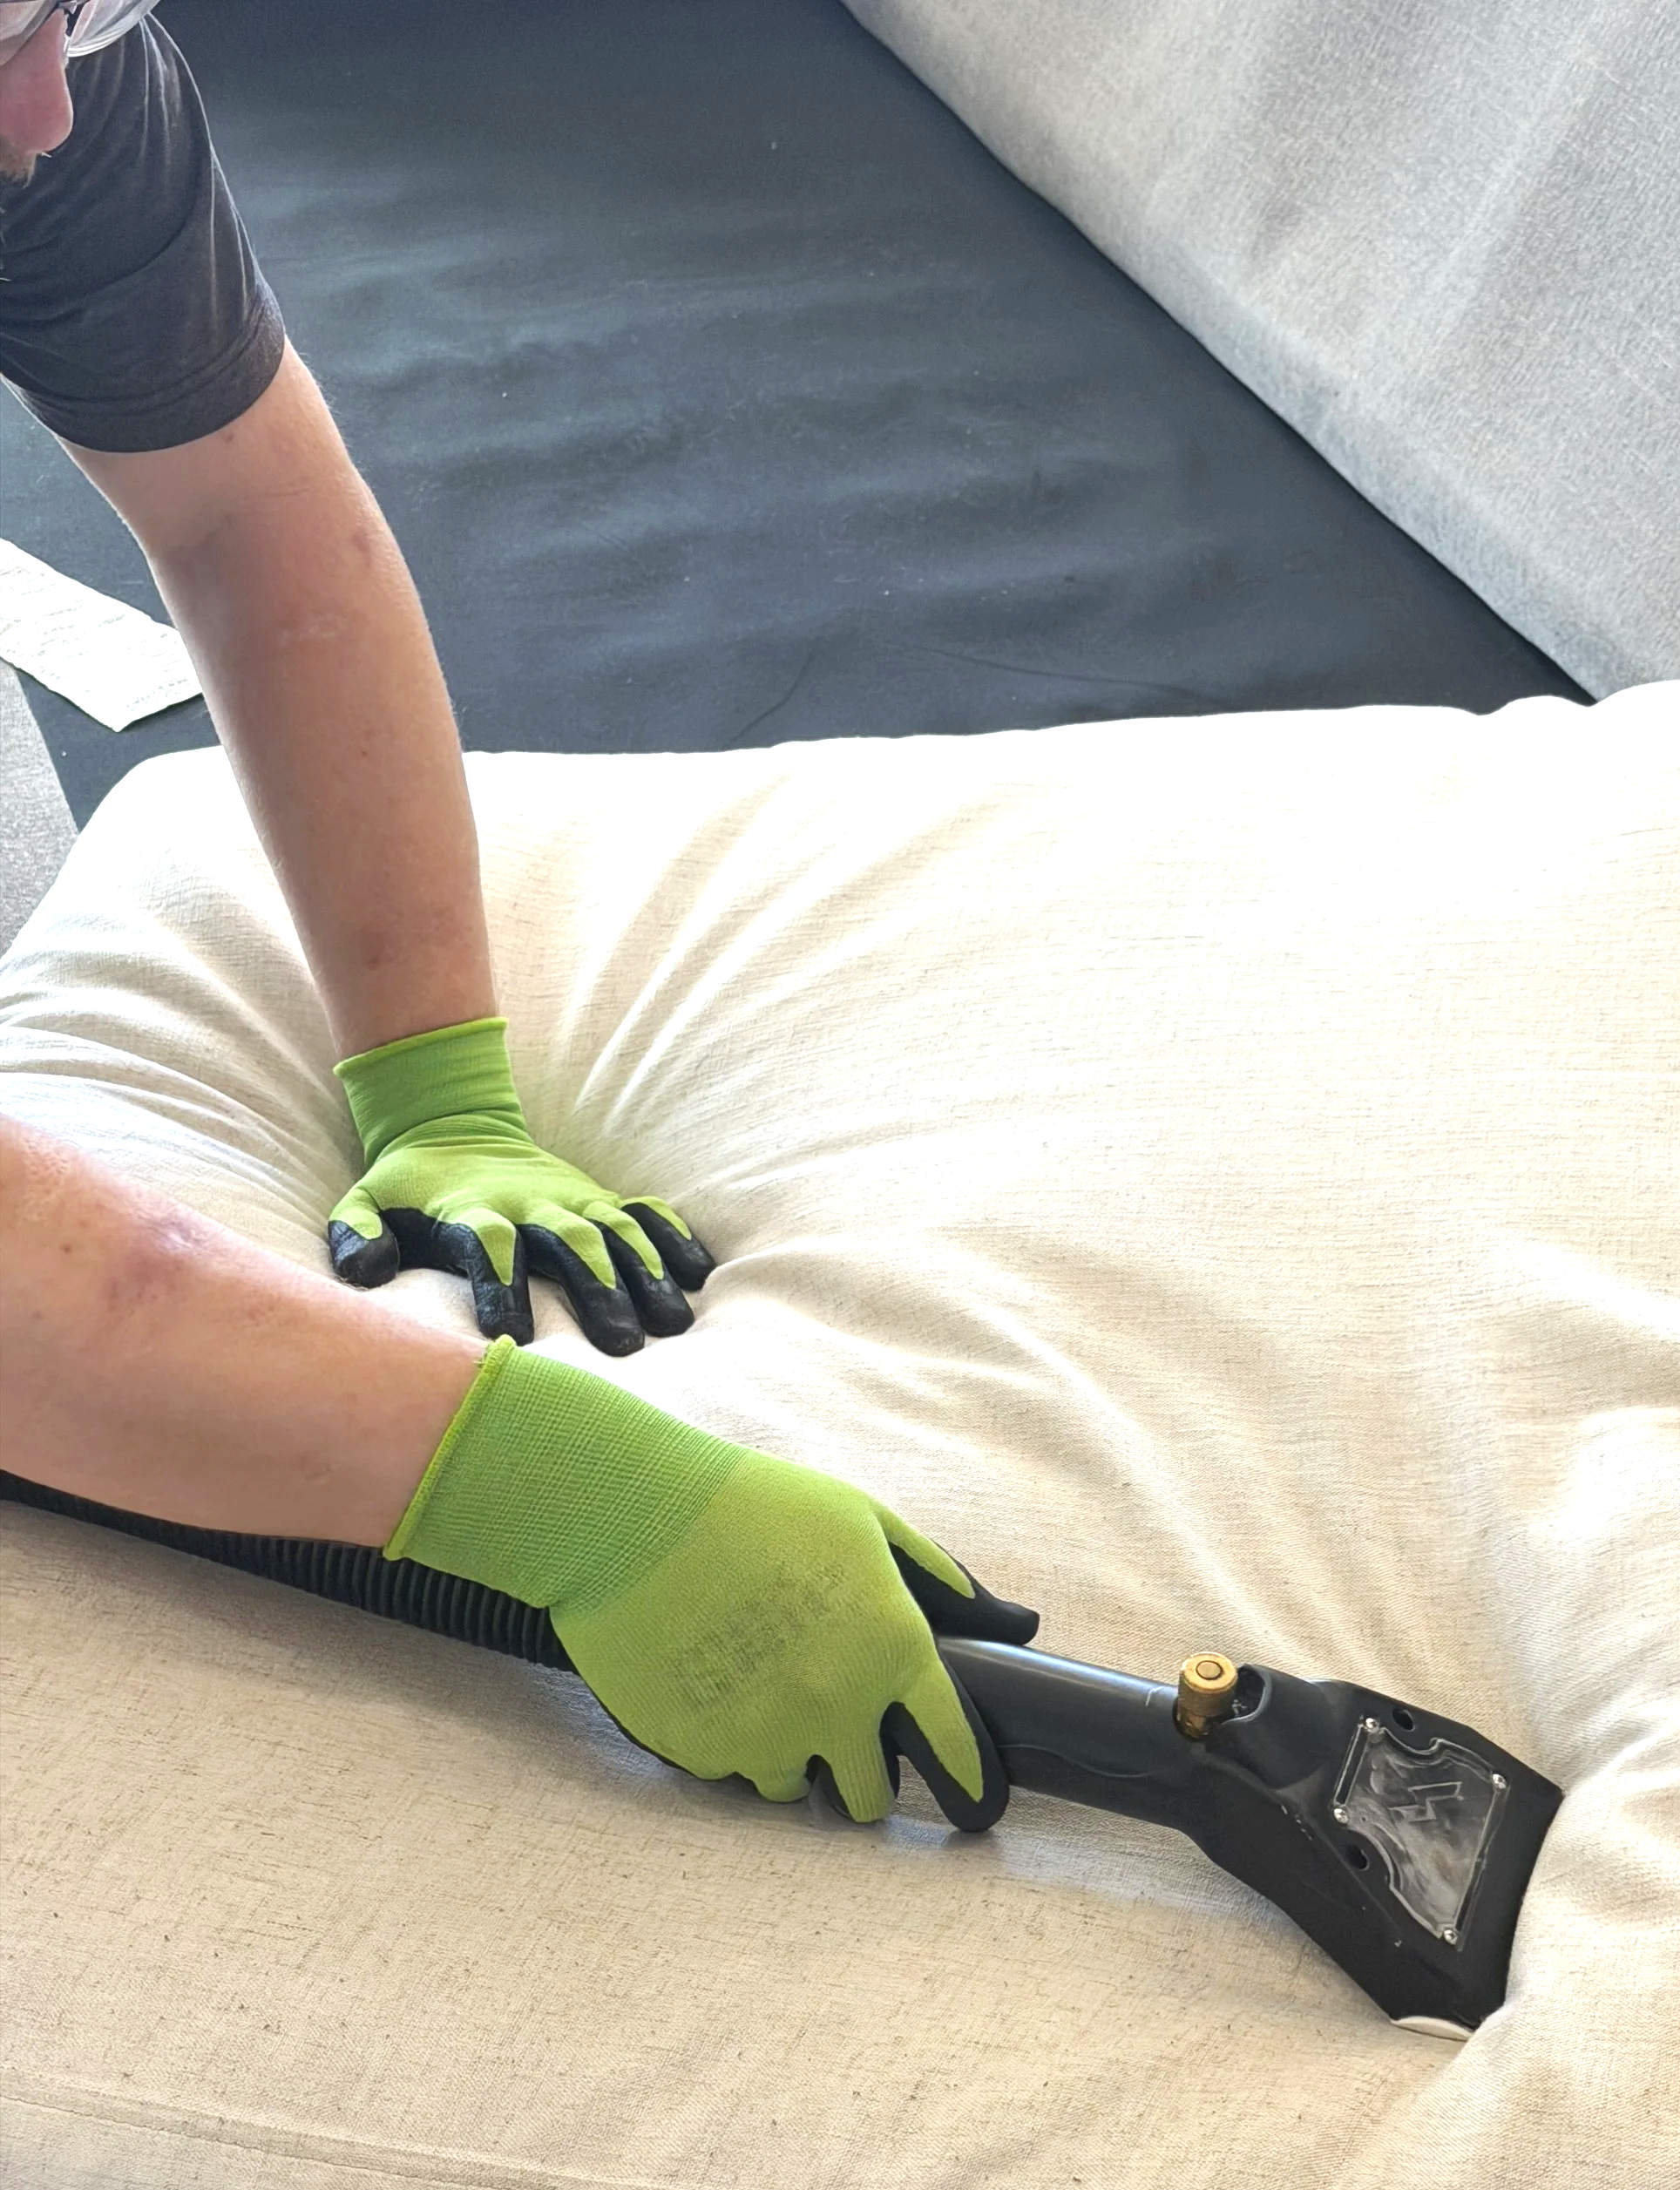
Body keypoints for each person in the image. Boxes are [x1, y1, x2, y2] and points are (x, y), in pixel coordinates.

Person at [0, 0, 1023, 1824]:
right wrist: (545, 1490)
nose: (36, 118)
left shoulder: (50, 88)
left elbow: (246, 510)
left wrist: (435, 1076)